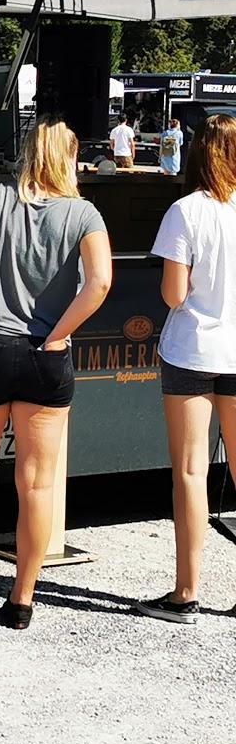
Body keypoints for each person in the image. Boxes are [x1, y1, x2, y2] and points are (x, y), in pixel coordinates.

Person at [0, 118, 112, 629]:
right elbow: (99, 283)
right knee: (36, 485)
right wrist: (58, 333)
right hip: (45, 358)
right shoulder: (84, 213)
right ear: (70, 156)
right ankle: (21, 600)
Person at [136, 114, 236, 624]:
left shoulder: (184, 212)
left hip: (193, 351)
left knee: (191, 472)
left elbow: (174, 294)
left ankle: (187, 592)